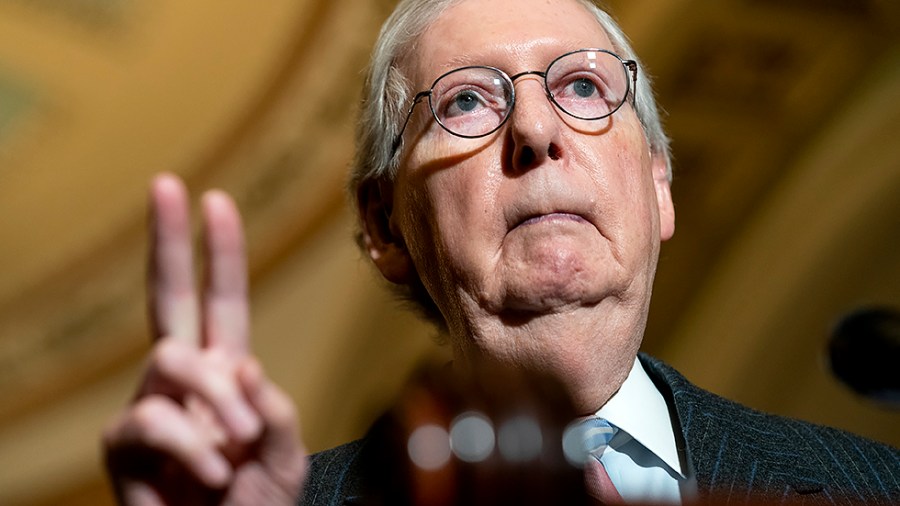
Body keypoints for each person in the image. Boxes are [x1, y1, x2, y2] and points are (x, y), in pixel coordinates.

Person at [102, 0, 900, 504]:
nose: (535, 130)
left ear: (659, 185)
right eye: (466, 101)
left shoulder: (870, 485)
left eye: (583, 88)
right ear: (386, 225)